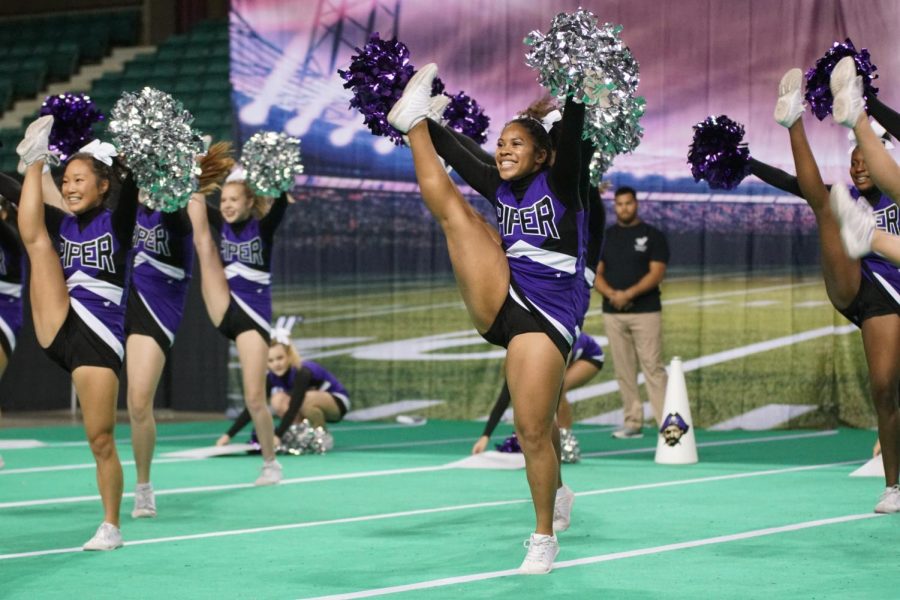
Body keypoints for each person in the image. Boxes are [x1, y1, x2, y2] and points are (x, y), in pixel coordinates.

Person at [387, 62, 585, 574]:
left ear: (543, 155)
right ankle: (413, 123)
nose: (502, 150)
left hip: (546, 318)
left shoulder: (563, 186)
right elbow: (462, 154)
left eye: (516, 144)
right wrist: (431, 124)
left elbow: (573, 139)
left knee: (533, 430)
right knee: (457, 214)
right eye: (500, 142)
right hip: (503, 295)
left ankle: (544, 535)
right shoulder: (500, 186)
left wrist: (576, 88)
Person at [767, 65, 900, 513]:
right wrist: (748, 164)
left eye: (867, 157)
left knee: (886, 388)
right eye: (855, 159)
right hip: (869, 290)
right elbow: (795, 185)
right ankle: (793, 120)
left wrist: (868, 104)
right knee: (824, 205)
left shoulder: (894, 192)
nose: (858, 165)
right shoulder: (852, 199)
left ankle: (871, 236)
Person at [16, 115, 137, 550]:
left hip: (98, 340)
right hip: (59, 321)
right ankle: (34, 159)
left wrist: (134, 161)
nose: (68, 187)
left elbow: (130, 196)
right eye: (64, 179)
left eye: (78, 180)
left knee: (100, 438)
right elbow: (23, 210)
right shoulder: (63, 222)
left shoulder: (118, 223)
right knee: (37, 241)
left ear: (102, 185)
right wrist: (34, 175)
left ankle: (111, 525)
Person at [125, 143, 234, 519]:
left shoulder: (177, 215)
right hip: (116, 297)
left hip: (155, 307)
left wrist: (175, 181)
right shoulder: (130, 203)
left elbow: (173, 215)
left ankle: (143, 485)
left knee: (138, 402)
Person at [187, 168, 293, 486]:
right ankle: (193, 171)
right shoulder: (222, 222)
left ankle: (270, 464)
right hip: (224, 305)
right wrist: (193, 178)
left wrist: (281, 180)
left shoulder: (262, 228)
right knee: (204, 244)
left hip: (252, 318)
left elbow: (281, 207)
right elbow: (198, 212)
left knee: (254, 398)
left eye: (235, 199)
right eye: (224, 200)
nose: (228, 205)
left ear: (250, 201)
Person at [593, 186, 669, 439]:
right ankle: (632, 422)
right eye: (619, 204)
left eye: (628, 203)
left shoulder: (653, 235)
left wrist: (629, 294)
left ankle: (666, 426)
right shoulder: (606, 237)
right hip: (613, 312)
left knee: (653, 368)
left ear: (636, 204)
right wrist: (613, 295)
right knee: (624, 371)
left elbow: (656, 273)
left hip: (646, 312)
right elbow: (596, 273)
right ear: (614, 206)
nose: (624, 208)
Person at [217, 336, 349, 452]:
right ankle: (299, 435)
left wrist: (277, 435)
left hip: (337, 403)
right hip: (306, 404)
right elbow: (254, 405)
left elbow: (294, 406)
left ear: (289, 356)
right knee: (277, 400)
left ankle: (322, 437)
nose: (276, 364)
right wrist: (228, 435)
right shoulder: (271, 378)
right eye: (271, 360)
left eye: (280, 358)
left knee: (305, 400)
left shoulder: (302, 371)